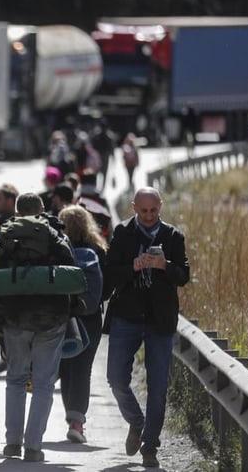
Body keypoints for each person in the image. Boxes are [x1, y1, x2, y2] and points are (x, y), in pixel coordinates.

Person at [103, 187, 189, 469]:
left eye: (154, 210)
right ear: (134, 208)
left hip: (160, 319)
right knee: (116, 378)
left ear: (160, 206)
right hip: (127, 316)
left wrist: (165, 265)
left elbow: (184, 276)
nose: (149, 216)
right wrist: (134, 266)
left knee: (158, 387)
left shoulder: (173, 236)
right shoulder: (123, 233)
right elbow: (110, 272)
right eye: (144, 211)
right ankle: (135, 421)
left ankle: (150, 446)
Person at [0, 193, 76, 463]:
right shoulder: (54, 235)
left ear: (17, 212)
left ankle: (12, 443)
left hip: (16, 316)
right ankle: (33, 445)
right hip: (50, 317)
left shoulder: (6, 236)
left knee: (15, 378)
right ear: (41, 210)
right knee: (43, 382)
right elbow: (70, 269)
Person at [56, 204, 107, 444]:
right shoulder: (98, 249)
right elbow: (107, 288)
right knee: (82, 368)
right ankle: (77, 422)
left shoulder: (56, 248)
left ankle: (71, 419)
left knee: (66, 366)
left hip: (62, 315)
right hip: (90, 317)